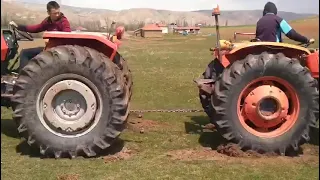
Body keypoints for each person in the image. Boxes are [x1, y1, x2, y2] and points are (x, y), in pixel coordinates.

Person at [9, 1, 71, 71]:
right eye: (54, 13)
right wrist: (19, 27)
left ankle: (22, 77)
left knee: (25, 53)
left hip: (57, 51)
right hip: (49, 48)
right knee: (25, 52)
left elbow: (67, 36)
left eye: (58, 13)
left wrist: (53, 40)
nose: (57, 15)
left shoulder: (64, 22)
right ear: (48, 13)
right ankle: (23, 72)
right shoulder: (48, 21)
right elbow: (36, 28)